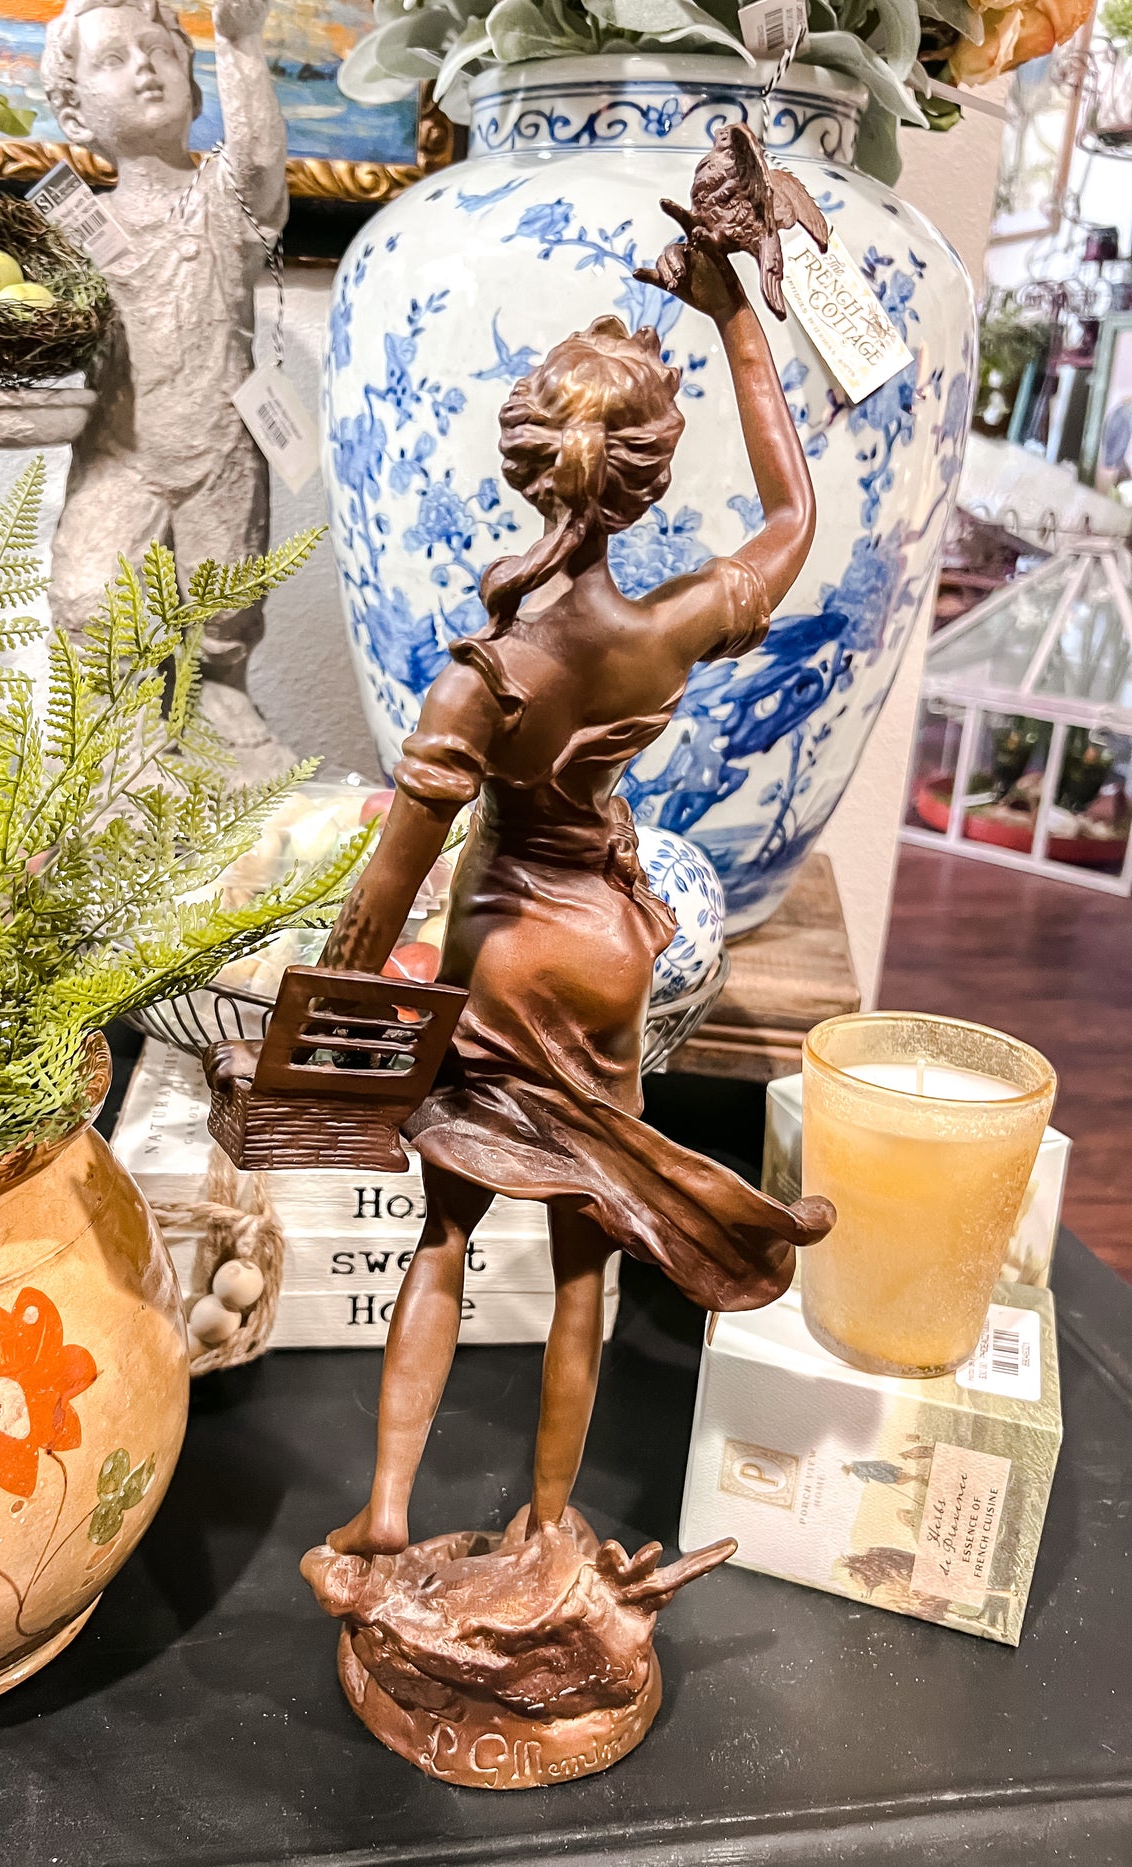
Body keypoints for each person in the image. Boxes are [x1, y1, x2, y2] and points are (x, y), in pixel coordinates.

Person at [312, 239, 835, 1558]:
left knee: (443, 1231)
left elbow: (384, 895)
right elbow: (794, 520)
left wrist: (321, 1052)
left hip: (496, 955)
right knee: (584, 1261)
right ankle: (552, 1521)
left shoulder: (479, 679)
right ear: (647, 477)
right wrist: (736, 321)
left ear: (523, 458)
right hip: (607, 950)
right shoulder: (668, 631)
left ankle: (384, 1510)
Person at [41, 0, 289, 774]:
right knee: (88, 596)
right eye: (112, 59)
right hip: (122, 453)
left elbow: (254, 164)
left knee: (226, 589)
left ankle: (221, 687)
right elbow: (36, 334)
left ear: (193, 83)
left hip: (218, 442)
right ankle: (120, 731)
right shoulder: (70, 223)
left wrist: (239, 44)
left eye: (160, 51)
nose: (144, 66)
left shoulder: (222, 201)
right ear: (75, 114)